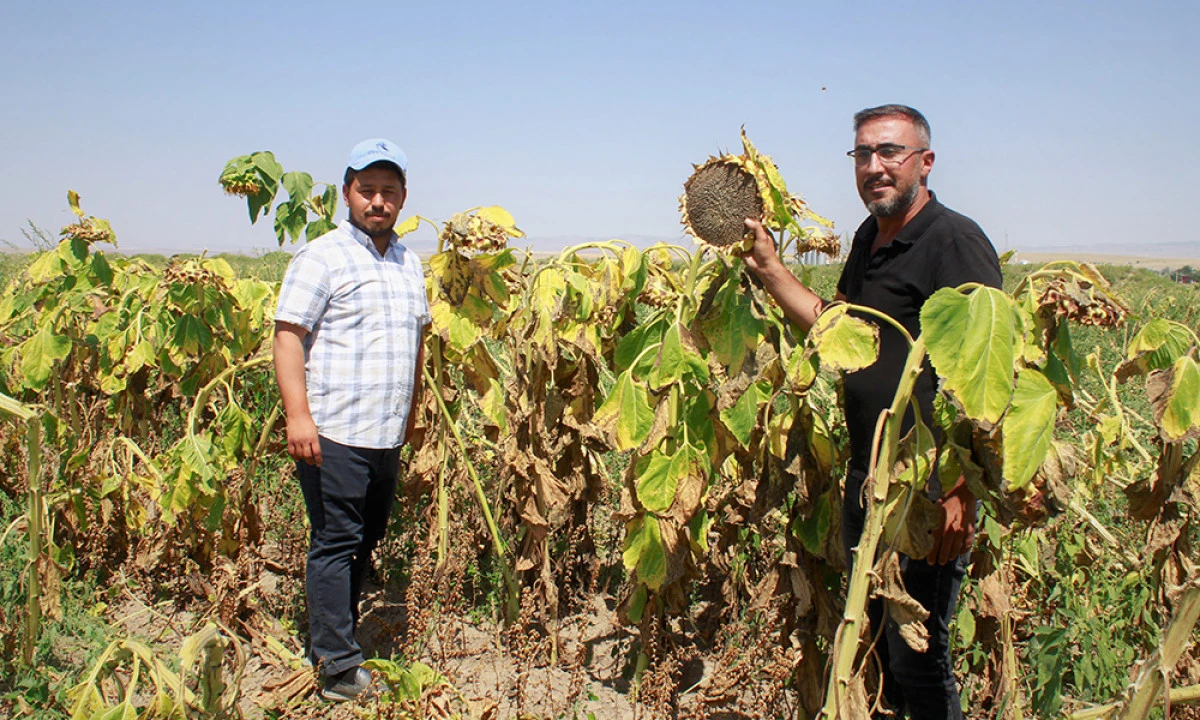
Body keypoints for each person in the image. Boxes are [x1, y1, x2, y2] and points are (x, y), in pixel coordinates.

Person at [742, 105, 1001, 719]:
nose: (875, 167)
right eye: (863, 154)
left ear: (925, 162)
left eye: (890, 152)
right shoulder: (869, 238)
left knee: (917, 650)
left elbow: (990, 372)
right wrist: (771, 270)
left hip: (925, 487)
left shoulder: (952, 240)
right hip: (869, 477)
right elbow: (843, 332)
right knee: (876, 643)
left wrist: (962, 489)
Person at [274, 138, 429, 702]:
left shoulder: (410, 263)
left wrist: (412, 413)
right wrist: (298, 417)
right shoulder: (321, 256)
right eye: (367, 190)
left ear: (403, 197)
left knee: (368, 535)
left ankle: (339, 628)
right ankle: (337, 666)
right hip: (334, 429)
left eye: (389, 191)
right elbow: (288, 336)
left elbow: (417, 342)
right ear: (347, 193)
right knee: (337, 540)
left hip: (385, 432)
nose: (378, 201)